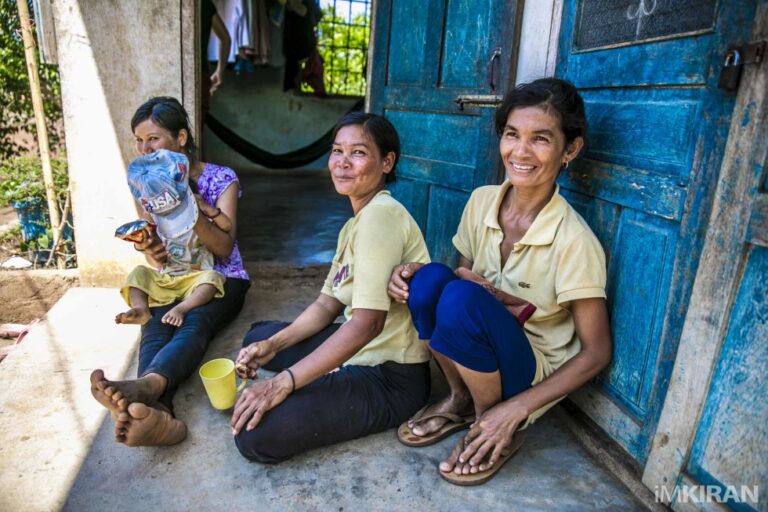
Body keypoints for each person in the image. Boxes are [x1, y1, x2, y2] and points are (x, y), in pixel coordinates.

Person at [389, 78, 612, 485]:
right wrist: (408, 276)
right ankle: (460, 399)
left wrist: (516, 409)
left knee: (457, 299)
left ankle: (491, 423)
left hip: (527, 370)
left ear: (570, 149)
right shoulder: (481, 202)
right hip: (481, 345)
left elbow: (596, 353)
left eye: (540, 139)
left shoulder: (575, 241)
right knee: (431, 281)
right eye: (512, 134)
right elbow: (459, 283)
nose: (520, 152)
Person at [231, 112, 431, 462]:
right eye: (337, 151)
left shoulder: (380, 217)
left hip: (389, 376)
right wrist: (273, 344)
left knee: (256, 436)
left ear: (387, 162)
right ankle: (308, 362)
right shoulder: (354, 224)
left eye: (358, 153)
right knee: (257, 337)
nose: (342, 163)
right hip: (361, 349)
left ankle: (326, 376)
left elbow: (368, 323)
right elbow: (327, 306)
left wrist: (283, 383)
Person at [90, 96, 250, 447]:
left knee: (194, 322)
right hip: (175, 274)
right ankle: (160, 414)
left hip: (220, 276)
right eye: (139, 140)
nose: (144, 149)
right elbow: (158, 260)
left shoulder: (221, 179)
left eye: (153, 139)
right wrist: (150, 248)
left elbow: (223, 248)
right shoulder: (147, 183)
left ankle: (146, 389)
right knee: (155, 322)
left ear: (181, 138)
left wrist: (185, 203)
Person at [116, 149, 226, 328]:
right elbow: (154, 253)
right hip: (166, 279)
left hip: (195, 278)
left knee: (213, 278)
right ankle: (141, 309)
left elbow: (226, 227)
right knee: (138, 273)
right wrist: (142, 243)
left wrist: (209, 209)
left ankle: (182, 308)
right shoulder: (155, 219)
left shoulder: (200, 216)